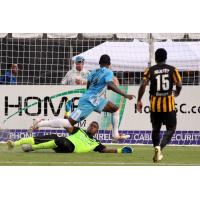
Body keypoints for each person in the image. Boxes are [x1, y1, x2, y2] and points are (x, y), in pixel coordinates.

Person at [31, 54, 135, 141]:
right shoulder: (108, 72)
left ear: (99, 63)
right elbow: (111, 85)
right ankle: (40, 123)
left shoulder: (93, 71)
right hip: (90, 101)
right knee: (69, 123)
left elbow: (89, 85)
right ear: (109, 64)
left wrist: (97, 93)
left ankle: (115, 135)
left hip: (93, 99)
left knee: (115, 109)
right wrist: (125, 95)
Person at [137, 48, 182, 163]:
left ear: (155, 58)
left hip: (155, 106)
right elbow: (179, 84)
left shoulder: (150, 70)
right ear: (166, 58)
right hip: (169, 106)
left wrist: (139, 100)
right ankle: (160, 148)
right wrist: (177, 91)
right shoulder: (173, 69)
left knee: (156, 129)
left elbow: (143, 84)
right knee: (171, 129)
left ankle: (157, 147)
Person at [7, 121, 133, 154]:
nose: (91, 126)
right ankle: (15, 144)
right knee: (53, 136)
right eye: (91, 125)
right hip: (63, 144)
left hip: (71, 148)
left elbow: (105, 150)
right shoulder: (79, 130)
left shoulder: (95, 142)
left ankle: (32, 148)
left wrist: (120, 150)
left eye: (94, 126)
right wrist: (67, 115)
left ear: (97, 131)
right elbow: (68, 126)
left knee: (59, 140)